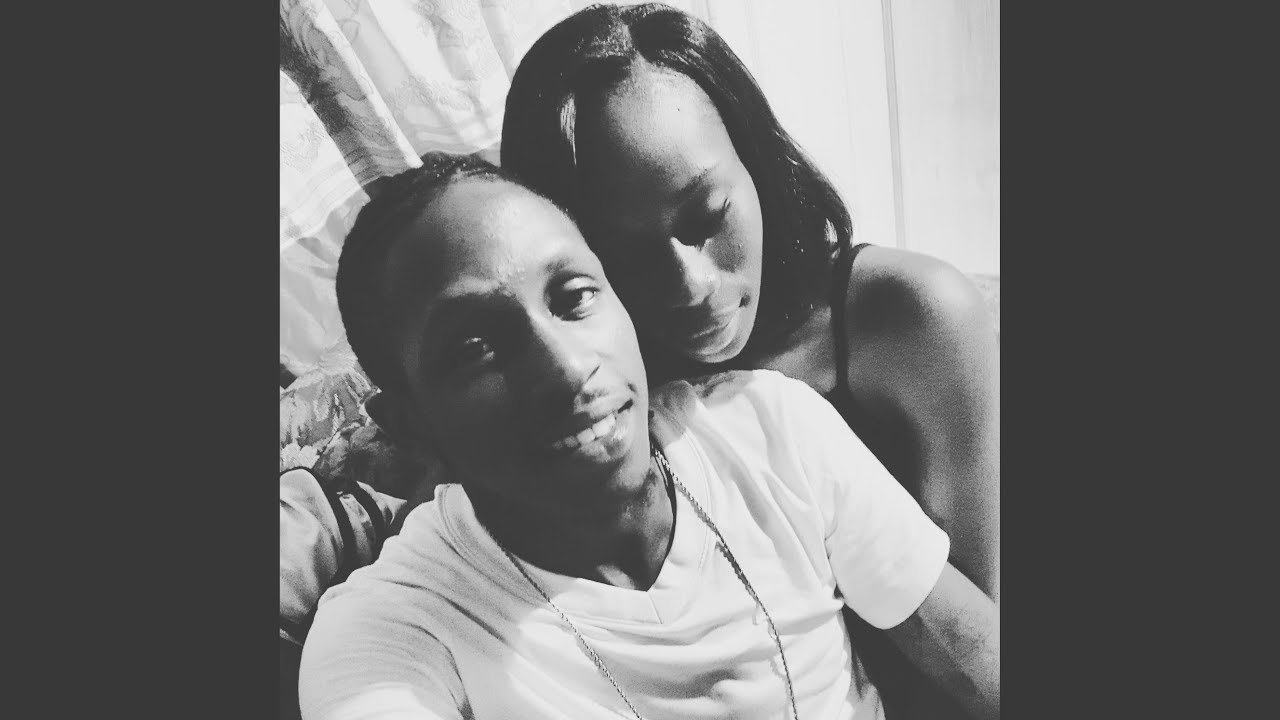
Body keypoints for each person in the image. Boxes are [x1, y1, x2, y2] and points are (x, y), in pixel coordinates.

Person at [296, 151, 998, 720]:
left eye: (575, 297)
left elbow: (977, 662)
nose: (568, 369)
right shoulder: (396, 632)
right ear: (411, 424)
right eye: (477, 347)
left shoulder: (771, 430)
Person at [499, 4, 1000, 608]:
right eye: (622, 256)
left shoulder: (911, 316)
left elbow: (979, 629)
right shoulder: (598, 397)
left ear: (756, 161)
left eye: (708, 215)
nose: (691, 285)